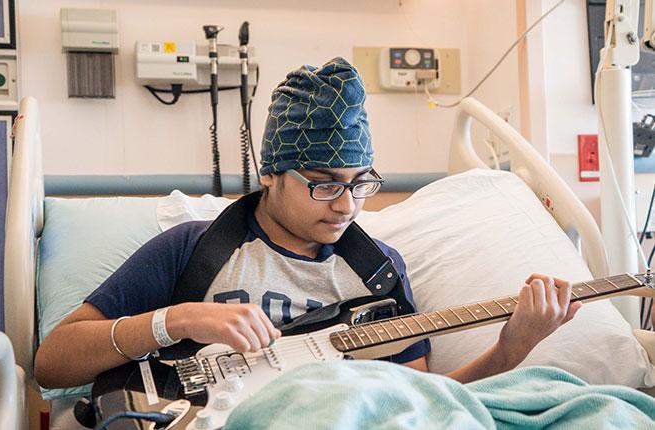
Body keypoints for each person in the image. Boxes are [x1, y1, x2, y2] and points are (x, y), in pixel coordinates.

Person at [35, 57, 581, 389]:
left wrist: (511, 350)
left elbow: (417, 404)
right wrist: (175, 321)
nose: (346, 204)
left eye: (360, 183)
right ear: (271, 172)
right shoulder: (194, 248)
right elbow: (52, 364)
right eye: (323, 183)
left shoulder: (378, 275)